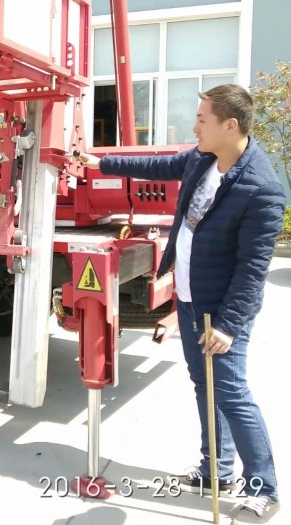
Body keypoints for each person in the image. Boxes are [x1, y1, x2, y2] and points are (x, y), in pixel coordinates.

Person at [80, 84, 284, 522]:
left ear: (230, 125)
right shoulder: (203, 159)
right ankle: (216, 472)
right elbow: (159, 165)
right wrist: (101, 162)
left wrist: (227, 326)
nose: (194, 127)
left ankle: (263, 488)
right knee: (204, 385)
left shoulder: (261, 189)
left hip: (221, 311)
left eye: (202, 119)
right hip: (190, 298)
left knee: (231, 393)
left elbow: (252, 270)